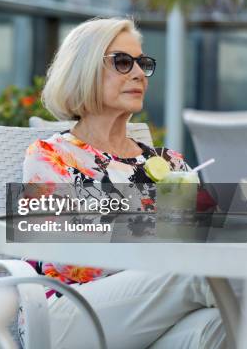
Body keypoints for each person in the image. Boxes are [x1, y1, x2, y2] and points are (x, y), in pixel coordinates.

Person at [23, 18, 225, 348]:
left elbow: (210, 234)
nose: (138, 74)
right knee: (206, 273)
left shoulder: (170, 162)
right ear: (84, 69)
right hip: (67, 315)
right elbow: (63, 255)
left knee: (223, 322)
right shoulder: (49, 155)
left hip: (155, 313)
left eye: (143, 63)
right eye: (122, 62)